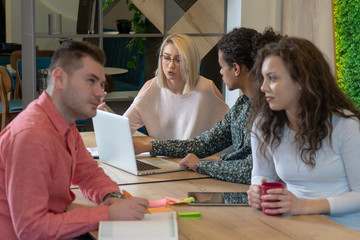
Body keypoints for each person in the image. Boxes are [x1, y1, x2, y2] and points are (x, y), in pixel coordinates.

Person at [0, 40, 149, 239]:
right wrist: (107, 214)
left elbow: (87, 173)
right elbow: (31, 229)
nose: (100, 92)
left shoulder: (63, 122)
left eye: (102, 84)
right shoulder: (32, 135)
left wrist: (112, 197)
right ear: (60, 78)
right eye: (91, 81)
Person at [134, 27, 282, 183]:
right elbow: (203, 144)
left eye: (221, 66)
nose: (220, 72)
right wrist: (150, 146)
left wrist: (201, 165)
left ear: (236, 69)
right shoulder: (241, 105)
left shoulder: (270, 109)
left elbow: (251, 169)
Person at [247, 37, 360, 231]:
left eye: (272, 78)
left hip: (345, 230)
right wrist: (257, 189)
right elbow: (261, 174)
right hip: (294, 225)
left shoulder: (345, 126)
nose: (263, 87)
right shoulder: (264, 125)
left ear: (301, 81)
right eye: (263, 78)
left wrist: (305, 206)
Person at [122, 33, 229, 140]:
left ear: (190, 62)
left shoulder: (206, 88)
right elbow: (123, 128)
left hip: (196, 156)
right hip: (159, 155)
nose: (171, 65)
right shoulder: (150, 88)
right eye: (167, 58)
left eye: (178, 60)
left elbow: (229, 131)